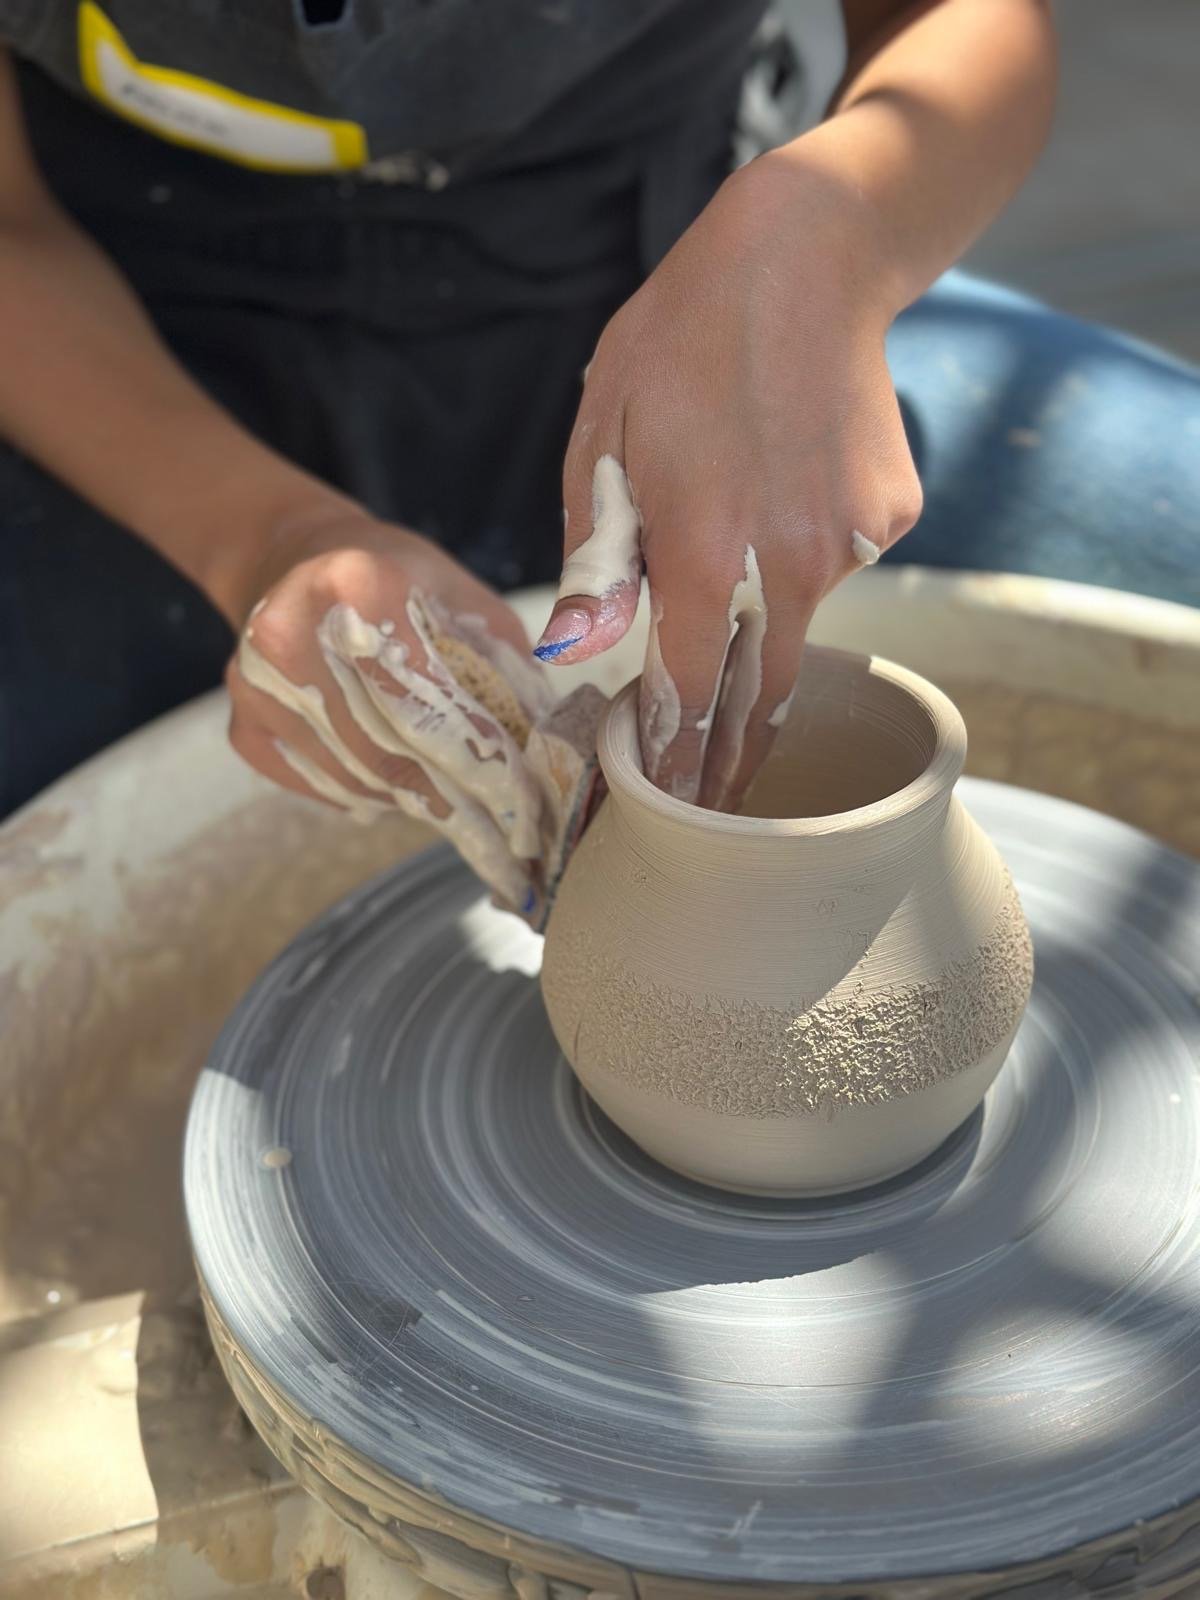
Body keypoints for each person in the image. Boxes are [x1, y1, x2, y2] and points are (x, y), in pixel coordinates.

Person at [0, 3, 1195, 879]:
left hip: (689, 283)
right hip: (122, 333)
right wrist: (265, 534)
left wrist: (837, 230)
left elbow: (964, 26)